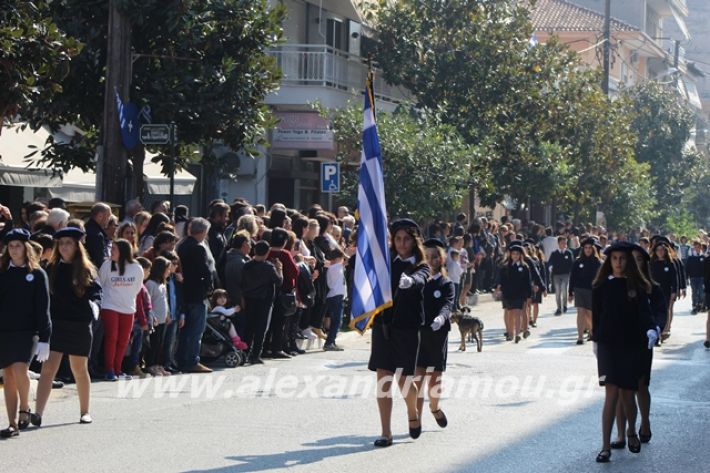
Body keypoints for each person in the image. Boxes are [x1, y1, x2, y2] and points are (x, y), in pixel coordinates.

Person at [591, 243, 657, 463]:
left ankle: (630, 430)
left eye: (622, 259)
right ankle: (605, 446)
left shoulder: (637, 285)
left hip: (631, 345)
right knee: (611, 394)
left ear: (628, 262)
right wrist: (595, 340)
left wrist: (650, 329)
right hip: (608, 345)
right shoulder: (601, 286)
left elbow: (644, 313)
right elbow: (598, 316)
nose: (618, 262)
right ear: (609, 261)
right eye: (614, 259)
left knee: (628, 395)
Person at [368, 218, 429, 448]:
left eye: (406, 239)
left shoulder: (420, 265)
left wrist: (410, 281)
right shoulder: (386, 262)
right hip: (383, 326)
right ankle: (386, 432)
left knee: (404, 380)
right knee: (383, 378)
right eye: (398, 239)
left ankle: (413, 412)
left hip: (407, 329)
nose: (402, 244)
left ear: (414, 241)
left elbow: (421, 279)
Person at [33, 227, 101, 426]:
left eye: (68, 243)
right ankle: (38, 413)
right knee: (48, 369)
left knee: (79, 369)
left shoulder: (86, 269)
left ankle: (84, 411)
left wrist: (95, 306)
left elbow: (97, 294)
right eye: (61, 243)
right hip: (56, 325)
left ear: (77, 246)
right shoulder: (51, 268)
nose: (64, 247)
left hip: (79, 325)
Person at [610, 244, 667, 450]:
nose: (634, 263)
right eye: (630, 259)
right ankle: (621, 433)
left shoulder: (652, 287)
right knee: (619, 388)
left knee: (641, 386)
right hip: (622, 342)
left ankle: (645, 421)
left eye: (639, 259)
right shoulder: (617, 284)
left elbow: (660, 312)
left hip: (644, 342)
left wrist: (657, 329)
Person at [0, 228, 51, 437]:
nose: (14, 250)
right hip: (4, 331)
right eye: (10, 246)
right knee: (8, 376)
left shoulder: (37, 274)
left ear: (26, 247)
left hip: (28, 332)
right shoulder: (2, 271)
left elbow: (43, 307)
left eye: (18, 246)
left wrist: (45, 338)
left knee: (21, 369)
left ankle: (25, 407)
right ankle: (12, 423)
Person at [415, 239, 454, 430]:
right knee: (417, 378)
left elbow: (448, 304)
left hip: (438, 334)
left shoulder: (446, 283)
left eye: (434, 256)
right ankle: (416, 420)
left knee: (434, 378)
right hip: (418, 334)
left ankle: (434, 406)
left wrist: (441, 318)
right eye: (427, 256)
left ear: (441, 259)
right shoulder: (417, 280)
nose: (431, 260)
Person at [98, 239, 144, 381]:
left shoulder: (136, 268)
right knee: (112, 337)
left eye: (114, 250)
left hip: (128, 307)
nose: (111, 252)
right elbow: (100, 283)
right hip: (109, 305)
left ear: (123, 251)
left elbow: (137, 288)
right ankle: (109, 369)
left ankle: (118, 369)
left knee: (124, 340)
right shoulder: (107, 265)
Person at [176, 218, 215, 373]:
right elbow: (205, 270)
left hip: (184, 291)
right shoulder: (199, 247)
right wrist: (209, 286)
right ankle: (192, 360)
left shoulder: (182, 244)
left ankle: (182, 359)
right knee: (196, 330)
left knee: (185, 330)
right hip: (197, 293)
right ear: (204, 232)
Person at [240, 241, 283, 364]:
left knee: (249, 327)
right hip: (264, 300)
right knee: (261, 328)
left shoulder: (246, 265)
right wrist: (280, 269)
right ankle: (255, 355)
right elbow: (279, 281)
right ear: (267, 252)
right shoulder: (269, 267)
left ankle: (245, 353)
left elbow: (242, 283)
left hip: (249, 298)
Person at [264, 228, 299, 358]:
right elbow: (295, 272)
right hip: (283, 291)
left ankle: (265, 347)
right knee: (279, 322)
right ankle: (277, 348)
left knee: (267, 321)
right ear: (285, 241)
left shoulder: (266, 251)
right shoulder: (285, 254)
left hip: (266, 291)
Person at [495, 244, 532, 343]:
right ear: (510, 255)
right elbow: (500, 279)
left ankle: (517, 334)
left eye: (517, 254)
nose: (515, 256)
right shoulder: (505, 266)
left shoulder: (524, 267)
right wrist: (498, 287)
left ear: (521, 255)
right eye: (513, 254)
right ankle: (510, 333)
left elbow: (528, 282)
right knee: (510, 313)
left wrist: (529, 295)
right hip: (508, 293)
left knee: (518, 312)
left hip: (520, 293)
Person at [569, 238, 603, 345]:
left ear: (593, 249)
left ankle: (593, 331)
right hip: (579, 289)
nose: (588, 250)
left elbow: (601, 278)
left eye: (590, 248)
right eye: (586, 248)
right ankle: (580, 337)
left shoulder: (597, 262)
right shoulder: (578, 261)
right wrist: (570, 292)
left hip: (592, 291)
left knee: (589, 314)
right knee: (581, 313)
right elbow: (572, 277)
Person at [145, 257, 172, 376]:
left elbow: (165, 300)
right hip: (154, 320)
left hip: (162, 319)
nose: (169, 271)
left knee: (160, 344)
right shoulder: (150, 284)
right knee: (153, 344)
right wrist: (152, 316)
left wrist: (168, 314)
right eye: (167, 269)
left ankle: (158, 364)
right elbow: (148, 302)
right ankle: (151, 365)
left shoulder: (162, 284)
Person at [650, 242, 677, 341]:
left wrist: (674, 291)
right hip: (653, 291)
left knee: (665, 311)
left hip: (666, 290)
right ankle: (655, 330)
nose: (660, 252)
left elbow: (674, 278)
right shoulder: (652, 263)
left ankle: (664, 331)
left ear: (665, 251)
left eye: (662, 250)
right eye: (658, 250)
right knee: (653, 311)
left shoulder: (670, 263)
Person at [324, 247, 347, 351]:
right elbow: (348, 260)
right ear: (338, 258)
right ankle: (329, 343)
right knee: (337, 321)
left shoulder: (335, 267)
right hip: (335, 296)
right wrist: (345, 255)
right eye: (341, 258)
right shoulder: (335, 267)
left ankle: (331, 342)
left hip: (336, 296)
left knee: (336, 321)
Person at [548, 235, 574, 315]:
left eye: (565, 243)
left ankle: (565, 305)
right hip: (556, 275)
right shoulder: (554, 253)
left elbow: (572, 263)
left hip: (565, 274)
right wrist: (550, 267)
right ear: (558, 243)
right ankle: (559, 308)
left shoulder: (568, 253)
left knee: (564, 288)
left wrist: (572, 272)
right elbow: (550, 262)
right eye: (562, 243)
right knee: (558, 291)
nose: (564, 244)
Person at [85, 203, 112, 269]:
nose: (109, 219)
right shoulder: (97, 235)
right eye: (108, 216)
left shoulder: (85, 227)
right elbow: (100, 260)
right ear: (100, 216)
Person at [686, 240, 705, 314]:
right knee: (694, 292)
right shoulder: (691, 258)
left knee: (701, 292)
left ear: (700, 248)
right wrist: (687, 277)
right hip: (693, 277)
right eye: (695, 247)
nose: (697, 248)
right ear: (693, 248)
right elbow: (687, 268)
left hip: (701, 278)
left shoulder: (703, 257)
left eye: (698, 247)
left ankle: (700, 304)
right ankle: (694, 306)